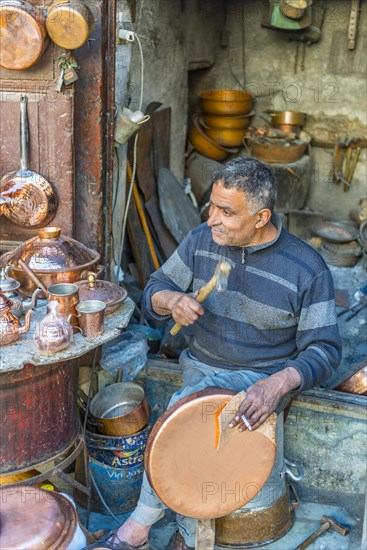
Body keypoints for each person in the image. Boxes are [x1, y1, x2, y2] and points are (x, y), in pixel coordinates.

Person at [91, 157, 342, 550]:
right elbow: (155, 287)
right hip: (200, 365)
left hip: (260, 379)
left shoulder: (306, 268)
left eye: (227, 212)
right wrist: (171, 299)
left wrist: (276, 385)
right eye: (213, 205)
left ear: (261, 217)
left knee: (184, 415)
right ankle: (185, 531)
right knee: (189, 410)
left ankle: (142, 529)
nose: (212, 219)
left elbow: (326, 350)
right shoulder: (201, 241)